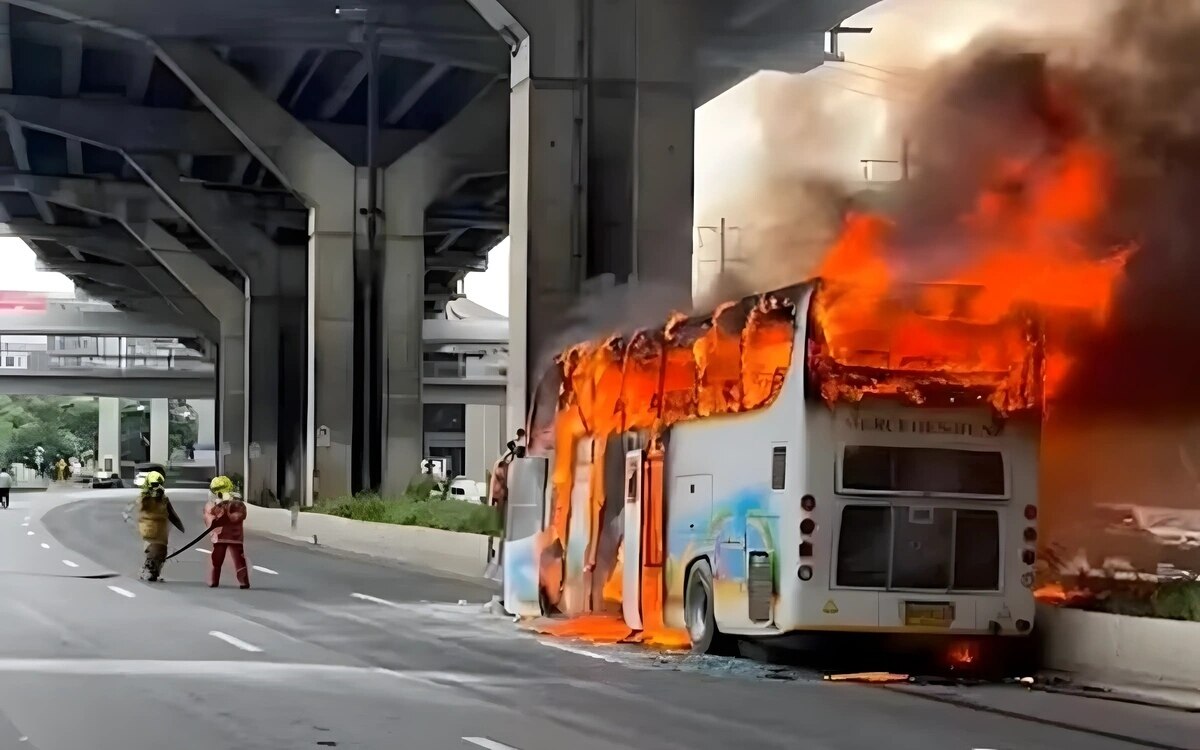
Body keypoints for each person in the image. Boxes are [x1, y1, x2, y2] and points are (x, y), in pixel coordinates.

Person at [126, 470, 184, 582]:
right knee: (154, 550)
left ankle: (153, 572)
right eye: (154, 485)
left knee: (162, 553)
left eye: (159, 484)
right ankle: (147, 569)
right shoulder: (144, 498)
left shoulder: (164, 499)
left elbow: (172, 514)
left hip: (161, 530)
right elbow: (139, 507)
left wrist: (180, 526)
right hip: (149, 528)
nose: (157, 487)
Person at [204, 475, 250, 589]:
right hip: (220, 537)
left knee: (239, 560)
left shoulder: (236, 504)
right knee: (217, 559)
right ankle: (214, 580)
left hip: (234, 537)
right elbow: (211, 515)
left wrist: (227, 512)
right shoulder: (218, 505)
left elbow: (239, 516)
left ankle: (244, 581)